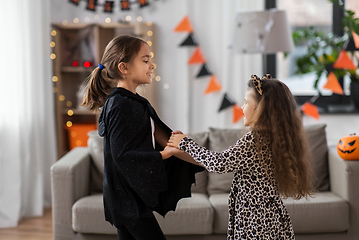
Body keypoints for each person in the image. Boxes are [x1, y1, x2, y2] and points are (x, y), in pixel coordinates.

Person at [81, 35, 203, 240]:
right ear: (124, 68)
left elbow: (166, 140)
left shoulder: (136, 103)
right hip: (126, 200)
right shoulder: (120, 104)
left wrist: (213, 160)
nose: (152, 65)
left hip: (130, 197)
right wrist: (163, 155)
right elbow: (122, 155)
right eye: (145, 60)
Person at [167, 74, 314, 239]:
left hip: (256, 222)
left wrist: (186, 143)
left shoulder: (255, 139)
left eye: (246, 102)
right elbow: (213, 162)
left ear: (261, 107)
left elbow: (219, 163)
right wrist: (178, 150)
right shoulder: (271, 137)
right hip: (268, 217)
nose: (242, 108)